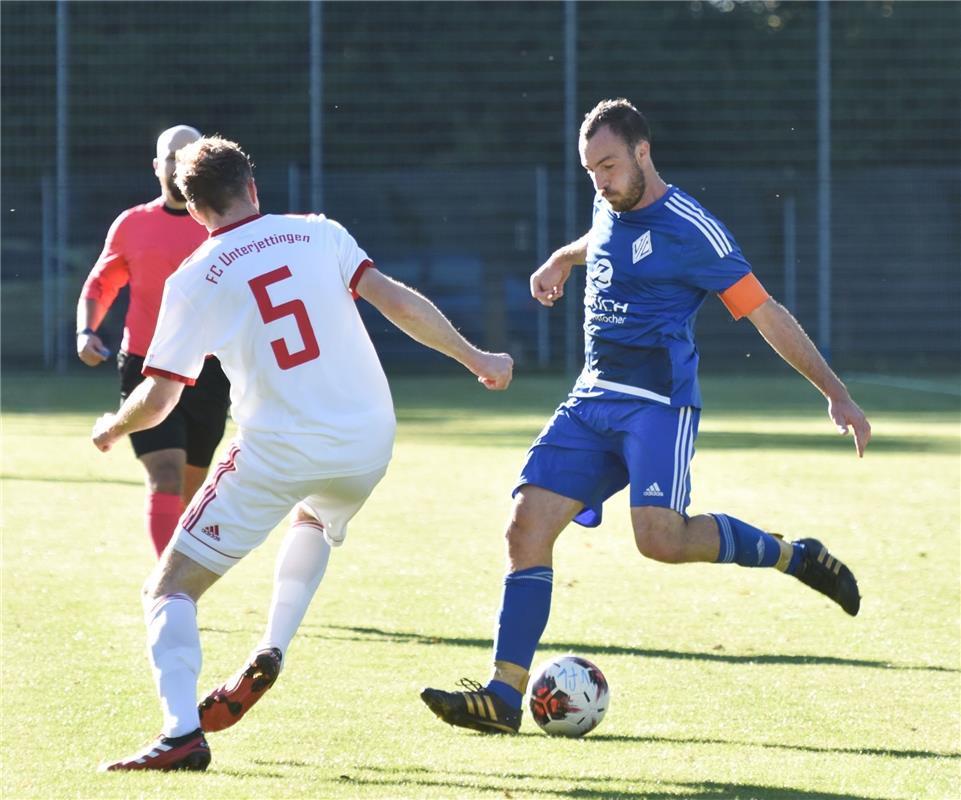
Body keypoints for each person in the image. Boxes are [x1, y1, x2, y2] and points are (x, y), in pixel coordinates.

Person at [420, 98, 872, 735]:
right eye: (590, 172)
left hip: (658, 406)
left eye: (608, 165)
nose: (599, 182)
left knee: (660, 539)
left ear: (642, 152)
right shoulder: (610, 202)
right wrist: (562, 257)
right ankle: (502, 695)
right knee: (526, 526)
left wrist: (836, 392)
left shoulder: (695, 231)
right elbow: (605, 238)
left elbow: (764, 311)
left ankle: (793, 556)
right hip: (591, 398)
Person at [91, 135, 513, 772]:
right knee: (315, 516)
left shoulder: (194, 277)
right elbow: (397, 300)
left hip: (280, 450)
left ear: (193, 209)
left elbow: (158, 399)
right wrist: (478, 359)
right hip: (369, 442)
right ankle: (273, 646)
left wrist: (115, 425)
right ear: (253, 188)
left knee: (168, 587)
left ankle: (180, 734)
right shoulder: (320, 233)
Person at [77, 125, 231, 558]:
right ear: (156, 166)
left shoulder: (226, 228)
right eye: (170, 155)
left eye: (188, 154)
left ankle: (177, 576)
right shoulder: (133, 224)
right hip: (146, 364)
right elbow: (100, 283)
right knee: (164, 473)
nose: (179, 163)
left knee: (189, 484)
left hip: (209, 369)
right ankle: (169, 591)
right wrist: (86, 331)